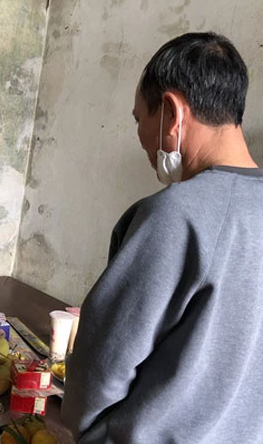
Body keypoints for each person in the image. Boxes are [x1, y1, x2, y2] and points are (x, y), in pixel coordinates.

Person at [61, 32, 263, 443]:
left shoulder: (175, 215)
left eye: (139, 119)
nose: (140, 136)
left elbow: (102, 363)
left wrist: (81, 426)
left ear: (171, 113)